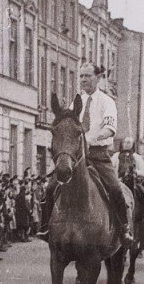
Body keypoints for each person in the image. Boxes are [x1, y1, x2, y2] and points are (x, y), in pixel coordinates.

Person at [38, 63, 132, 244]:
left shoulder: (107, 102)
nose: (83, 80)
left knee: (115, 188)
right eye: (81, 76)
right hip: (76, 155)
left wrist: (90, 138)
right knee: (50, 188)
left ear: (98, 78)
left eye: (88, 76)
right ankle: (44, 228)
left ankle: (124, 229)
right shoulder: (76, 102)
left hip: (98, 154)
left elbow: (110, 129)